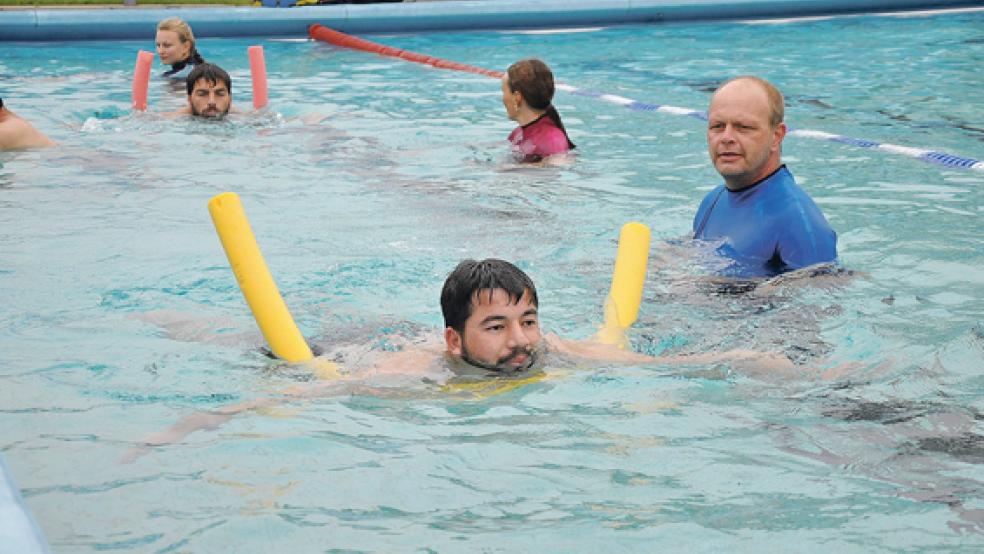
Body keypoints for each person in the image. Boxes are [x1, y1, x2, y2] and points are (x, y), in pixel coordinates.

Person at [692, 76, 837, 278]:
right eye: (717, 126)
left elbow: (821, 302)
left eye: (743, 127)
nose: (726, 138)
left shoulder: (799, 222)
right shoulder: (712, 201)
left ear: (777, 136)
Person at [502, 59, 576, 163]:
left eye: (503, 91)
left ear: (517, 98)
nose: (502, 98)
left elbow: (559, 166)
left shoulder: (552, 140)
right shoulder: (517, 134)